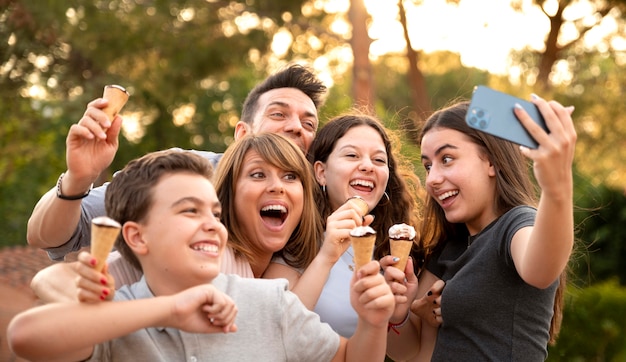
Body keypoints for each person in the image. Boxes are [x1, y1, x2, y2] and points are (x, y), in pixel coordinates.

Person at [8, 149, 396, 362]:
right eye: (189, 211)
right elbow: (25, 337)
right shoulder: (116, 317)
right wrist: (171, 310)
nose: (212, 224)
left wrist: (373, 325)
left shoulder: (270, 302)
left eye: (214, 213)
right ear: (136, 237)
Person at [26, 63, 327, 260]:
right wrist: (78, 177)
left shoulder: (318, 203)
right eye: (278, 114)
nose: (296, 127)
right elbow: (46, 236)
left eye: (309, 124)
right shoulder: (180, 174)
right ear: (242, 133)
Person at [385, 96, 576, 361]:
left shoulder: (515, 224)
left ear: (490, 161)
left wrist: (557, 187)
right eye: (428, 165)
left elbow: (541, 270)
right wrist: (398, 313)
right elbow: (409, 353)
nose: (432, 179)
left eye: (447, 159)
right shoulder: (449, 248)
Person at [33, 133, 323, 303]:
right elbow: (51, 280)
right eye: (258, 174)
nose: (277, 186)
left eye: (290, 176)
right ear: (228, 194)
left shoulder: (293, 266)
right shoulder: (203, 251)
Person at [264, 111, 424, 336]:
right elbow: (274, 332)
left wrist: (396, 315)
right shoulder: (291, 241)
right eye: (352, 155)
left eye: (379, 160)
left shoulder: (388, 251)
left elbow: (406, 354)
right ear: (321, 172)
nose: (368, 166)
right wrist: (326, 256)